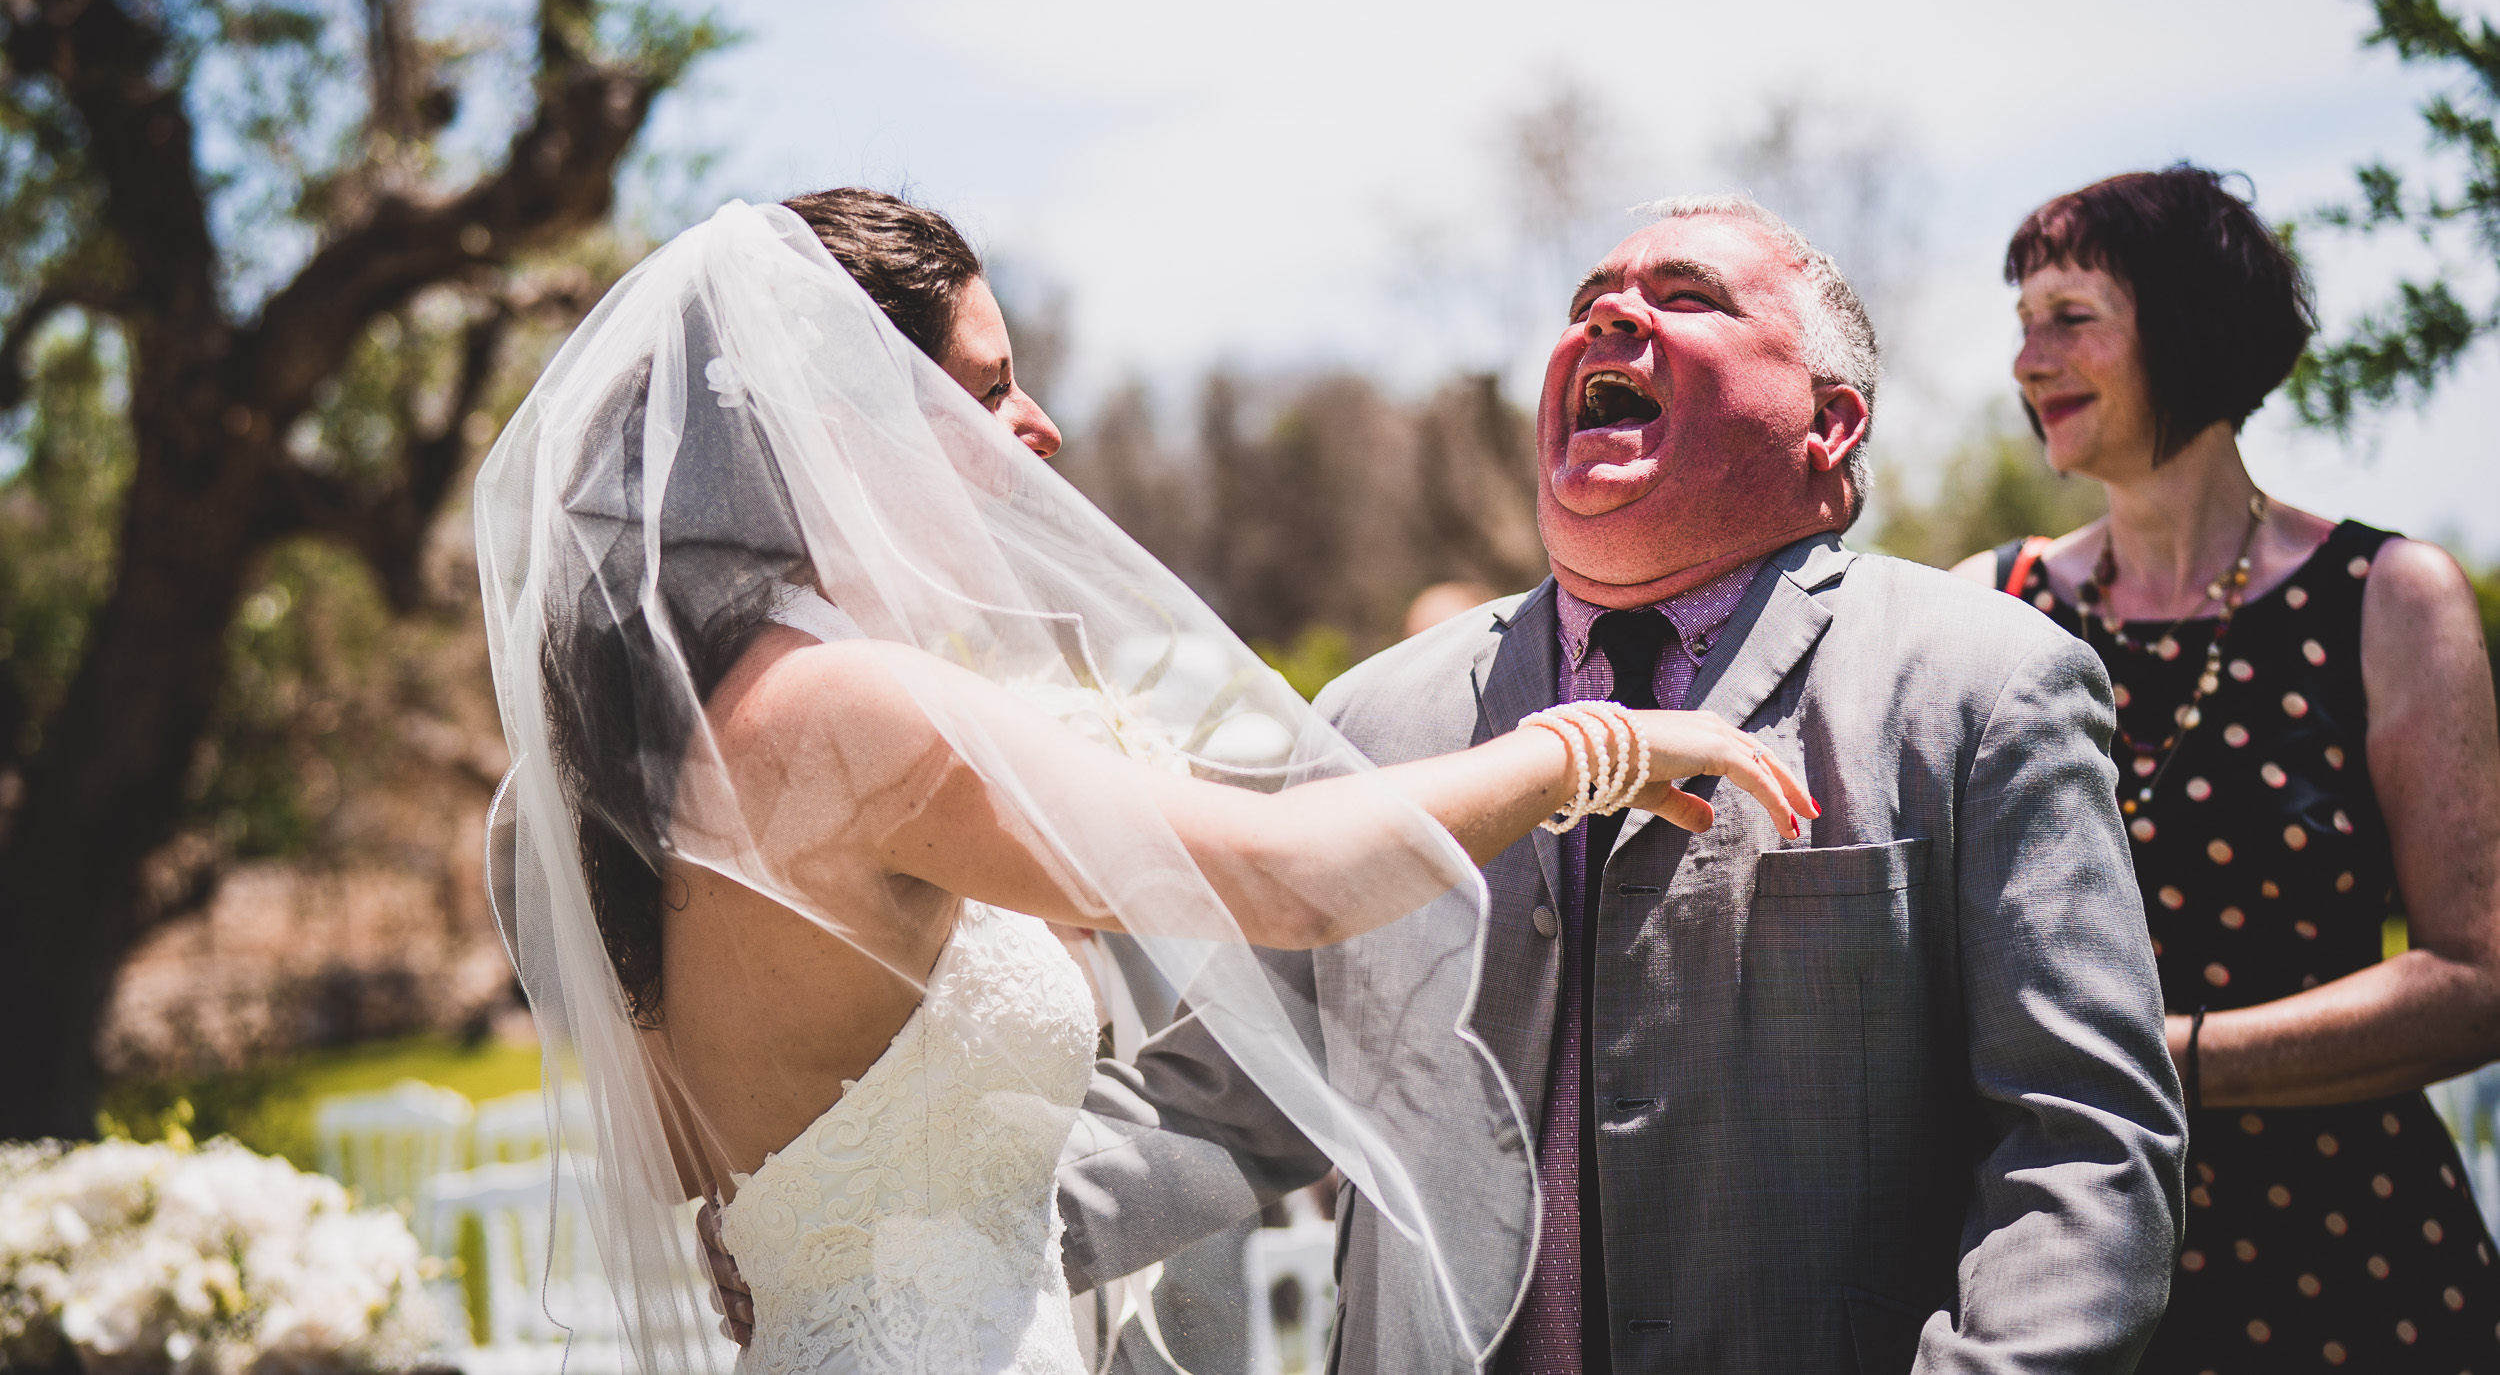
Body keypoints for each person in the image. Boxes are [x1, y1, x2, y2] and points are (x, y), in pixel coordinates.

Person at [476, 190, 1810, 1375]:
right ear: (851, 421)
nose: (1038, 427)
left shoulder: (681, 733)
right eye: (987, 390)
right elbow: (1295, 874)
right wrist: (1597, 742)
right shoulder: (849, 706)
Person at [1034, 195, 2188, 1374]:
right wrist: (909, 1230)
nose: (1612, 316)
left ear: (1830, 423)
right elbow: (1222, 1100)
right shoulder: (1372, 718)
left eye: (1685, 297)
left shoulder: (1982, 684)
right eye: (1588, 303)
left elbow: (2081, 1147)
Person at [1951, 165, 2500, 1372]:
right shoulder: (1988, 605)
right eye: (2022, 322)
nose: (2026, 359)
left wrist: (2160, 1061)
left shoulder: (2390, 599)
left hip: (2352, 1261)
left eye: (2071, 317)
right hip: (2063, 1262)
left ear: (2189, 325)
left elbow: (2475, 975)